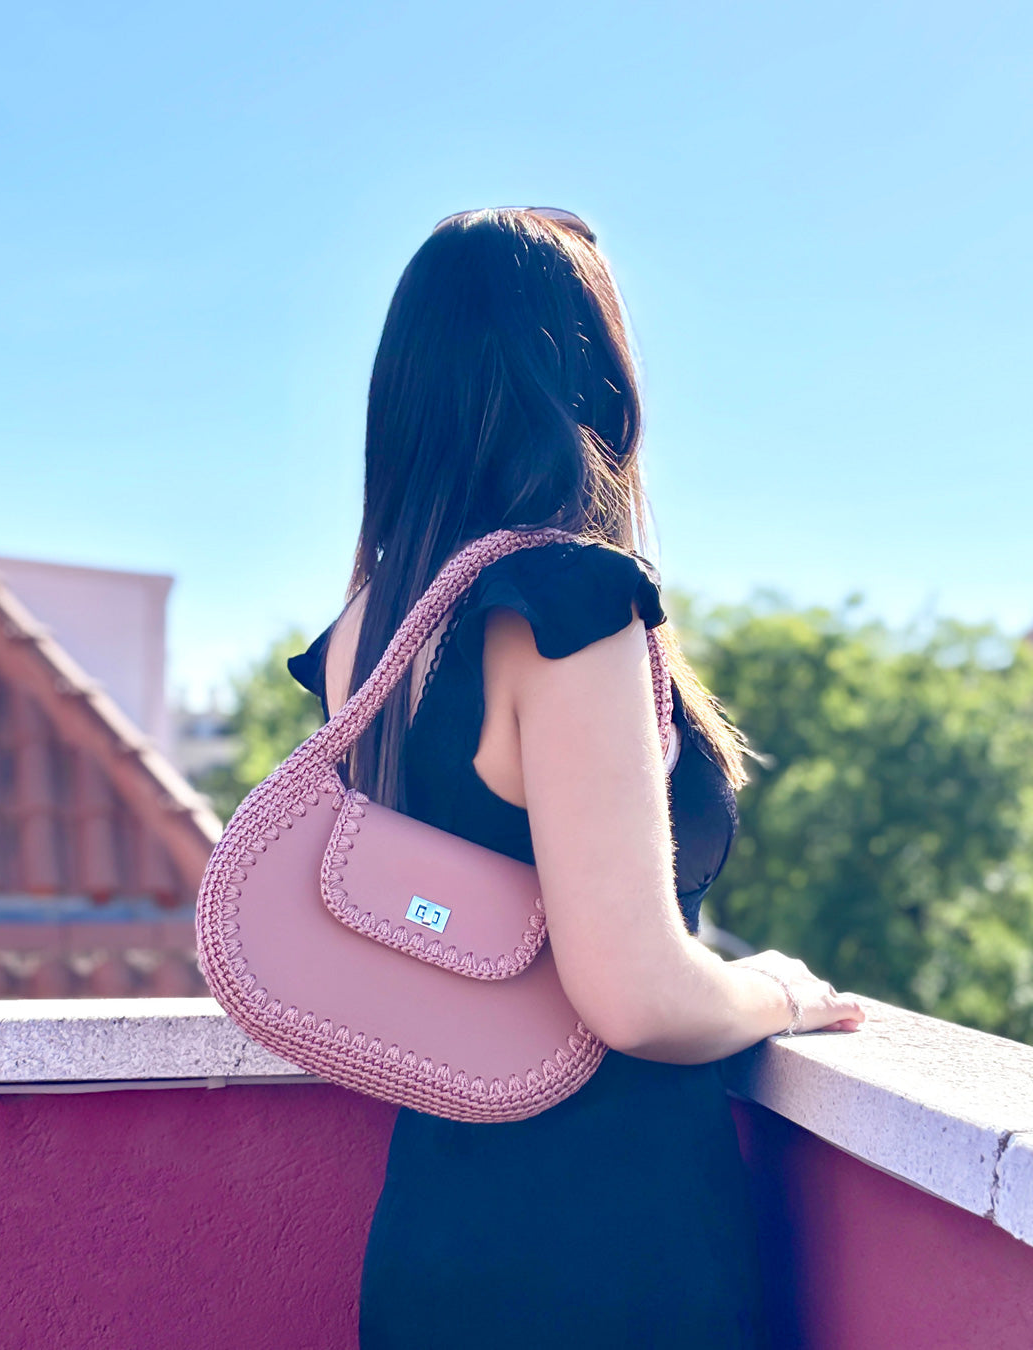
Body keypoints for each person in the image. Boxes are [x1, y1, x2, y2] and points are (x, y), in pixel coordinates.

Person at [287, 207, 866, 1349]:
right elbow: (637, 995)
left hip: (431, 1235)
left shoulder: (366, 631)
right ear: (592, 377)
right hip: (608, 1252)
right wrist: (780, 994)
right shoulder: (573, 605)